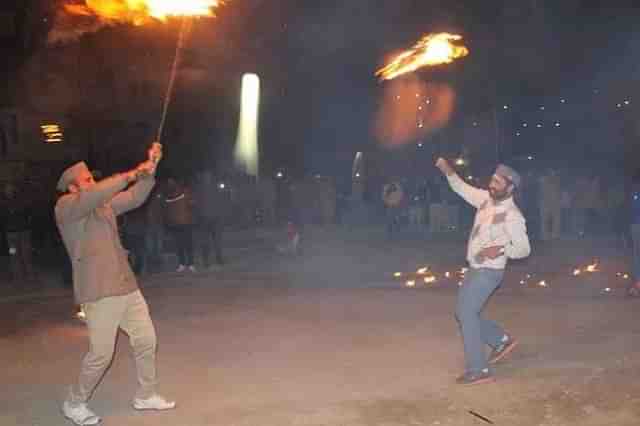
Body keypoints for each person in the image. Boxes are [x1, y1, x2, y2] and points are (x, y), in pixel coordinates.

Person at [56, 143, 175, 426]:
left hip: (126, 286)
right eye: (86, 181)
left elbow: (135, 196)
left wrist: (151, 166)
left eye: (92, 178)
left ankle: (146, 394)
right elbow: (99, 193)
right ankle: (74, 402)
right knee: (101, 354)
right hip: (99, 292)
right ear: (73, 189)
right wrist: (132, 172)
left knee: (146, 339)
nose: (93, 183)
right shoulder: (66, 209)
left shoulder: (103, 206)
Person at [436, 158, 531, 386]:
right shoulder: (485, 200)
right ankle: (501, 339)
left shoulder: (513, 215)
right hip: (474, 267)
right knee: (464, 313)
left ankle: (479, 369)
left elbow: (523, 249)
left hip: (489, 272)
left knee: (467, 314)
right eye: (492, 179)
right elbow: (461, 188)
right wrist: (447, 169)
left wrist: (501, 249)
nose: (492, 184)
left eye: (498, 182)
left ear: (510, 188)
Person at [164, 177, 197, 272]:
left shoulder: (184, 192)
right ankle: (183, 264)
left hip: (185, 223)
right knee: (180, 245)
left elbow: (192, 204)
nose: (170, 183)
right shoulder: (169, 194)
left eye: (171, 181)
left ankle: (189, 264)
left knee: (187, 244)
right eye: (169, 182)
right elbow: (168, 210)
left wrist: (191, 204)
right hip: (177, 224)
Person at [195, 170, 225, 268]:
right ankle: (206, 260)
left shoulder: (214, 188)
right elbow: (197, 204)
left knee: (216, 240)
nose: (207, 179)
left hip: (215, 218)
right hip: (205, 219)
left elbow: (220, 202)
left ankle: (218, 258)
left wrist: (220, 215)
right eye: (206, 177)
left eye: (208, 177)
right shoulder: (200, 189)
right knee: (206, 241)